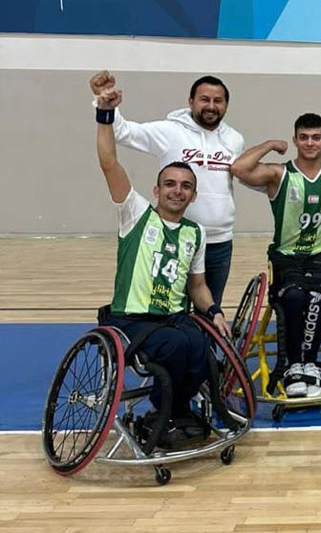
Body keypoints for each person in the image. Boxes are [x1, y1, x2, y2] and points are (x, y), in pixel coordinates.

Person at [93, 83, 231, 447]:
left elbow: (198, 286)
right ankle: (164, 411)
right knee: (175, 346)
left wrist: (214, 311)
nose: (177, 190)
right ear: (157, 190)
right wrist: (105, 113)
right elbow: (109, 162)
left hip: (174, 317)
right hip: (133, 319)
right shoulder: (135, 214)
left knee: (200, 346)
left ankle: (177, 412)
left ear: (193, 195)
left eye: (185, 186)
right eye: (169, 184)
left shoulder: (195, 233)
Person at [230, 114, 321, 397]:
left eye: (316, 137)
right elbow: (239, 168)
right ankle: (293, 366)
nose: (310, 143)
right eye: (304, 137)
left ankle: (309, 365)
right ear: (295, 140)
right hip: (286, 257)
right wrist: (269, 144)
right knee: (293, 297)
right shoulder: (279, 174)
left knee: (316, 296)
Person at [89, 71, 246, 306]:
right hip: (175, 239)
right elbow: (122, 132)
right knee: (170, 308)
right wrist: (105, 102)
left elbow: (244, 175)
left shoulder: (235, 139)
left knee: (210, 310)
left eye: (218, 101)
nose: (211, 106)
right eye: (204, 99)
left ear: (226, 105)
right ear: (191, 101)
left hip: (220, 243)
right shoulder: (170, 131)